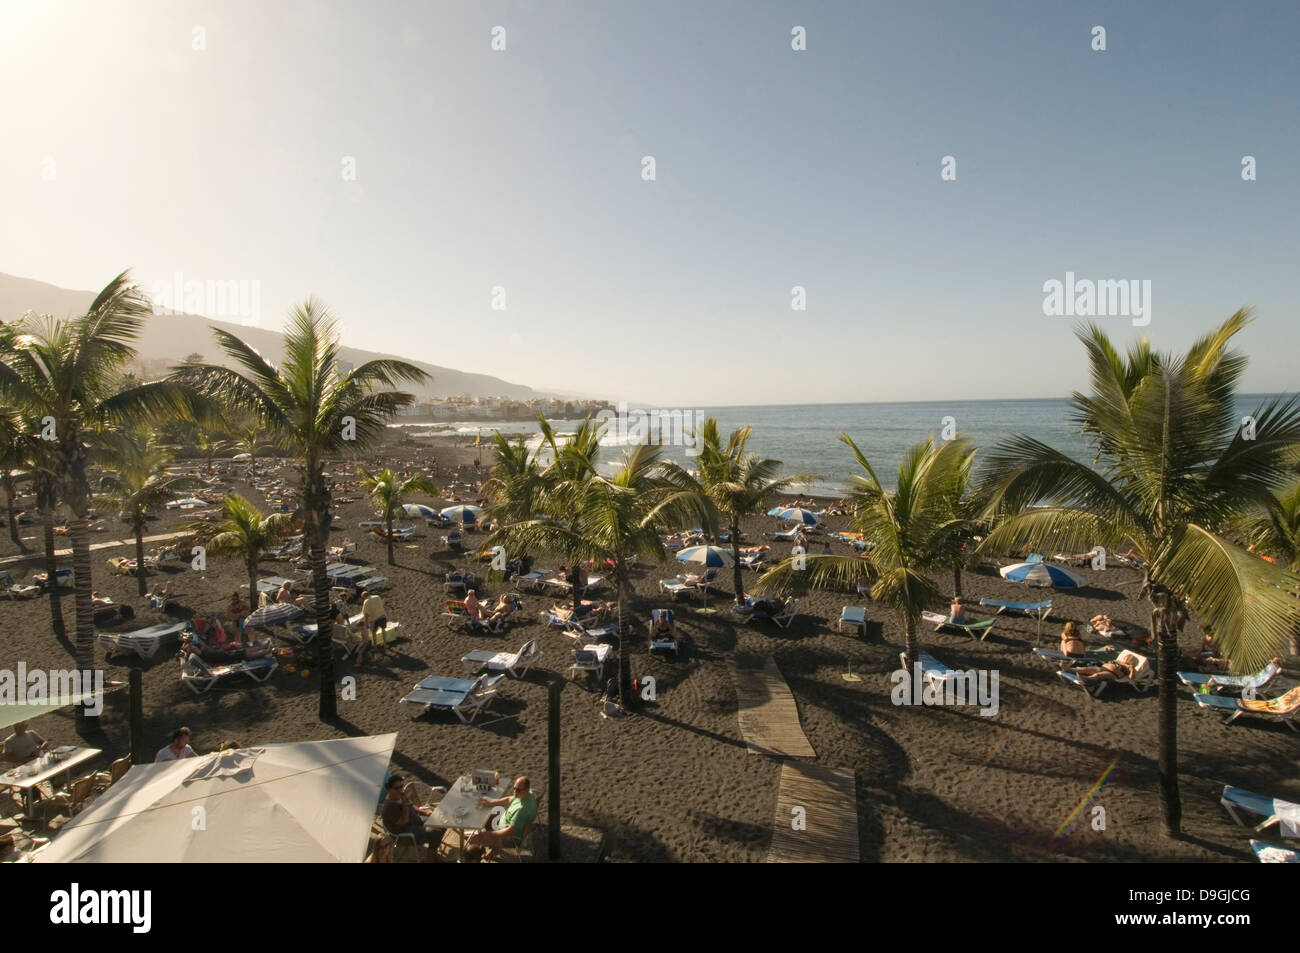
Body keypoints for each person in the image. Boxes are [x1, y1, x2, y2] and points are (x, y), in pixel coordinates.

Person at [468, 776, 537, 860]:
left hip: (509, 837)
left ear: (526, 789)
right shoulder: (527, 794)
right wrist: (490, 803)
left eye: (518, 790)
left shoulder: (522, 810)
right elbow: (509, 799)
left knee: (475, 840)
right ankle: (492, 850)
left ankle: (476, 858)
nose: (515, 792)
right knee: (486, 815)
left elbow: (510, 831)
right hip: (504, 822)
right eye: (514, 788)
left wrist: (492, 835)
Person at [380, 774, 437, 850]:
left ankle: (433, 849)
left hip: (416, 822)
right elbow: (404, 821)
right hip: (406, 833)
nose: (401, 790)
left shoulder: (400, 795)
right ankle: (430, 857)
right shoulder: (389, 807)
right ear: (389, 789)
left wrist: (425, 812)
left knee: (440, 823)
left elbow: (411, 805)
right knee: (436, 833)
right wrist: (404, 803)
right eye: (397, 788)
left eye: (401, 786)